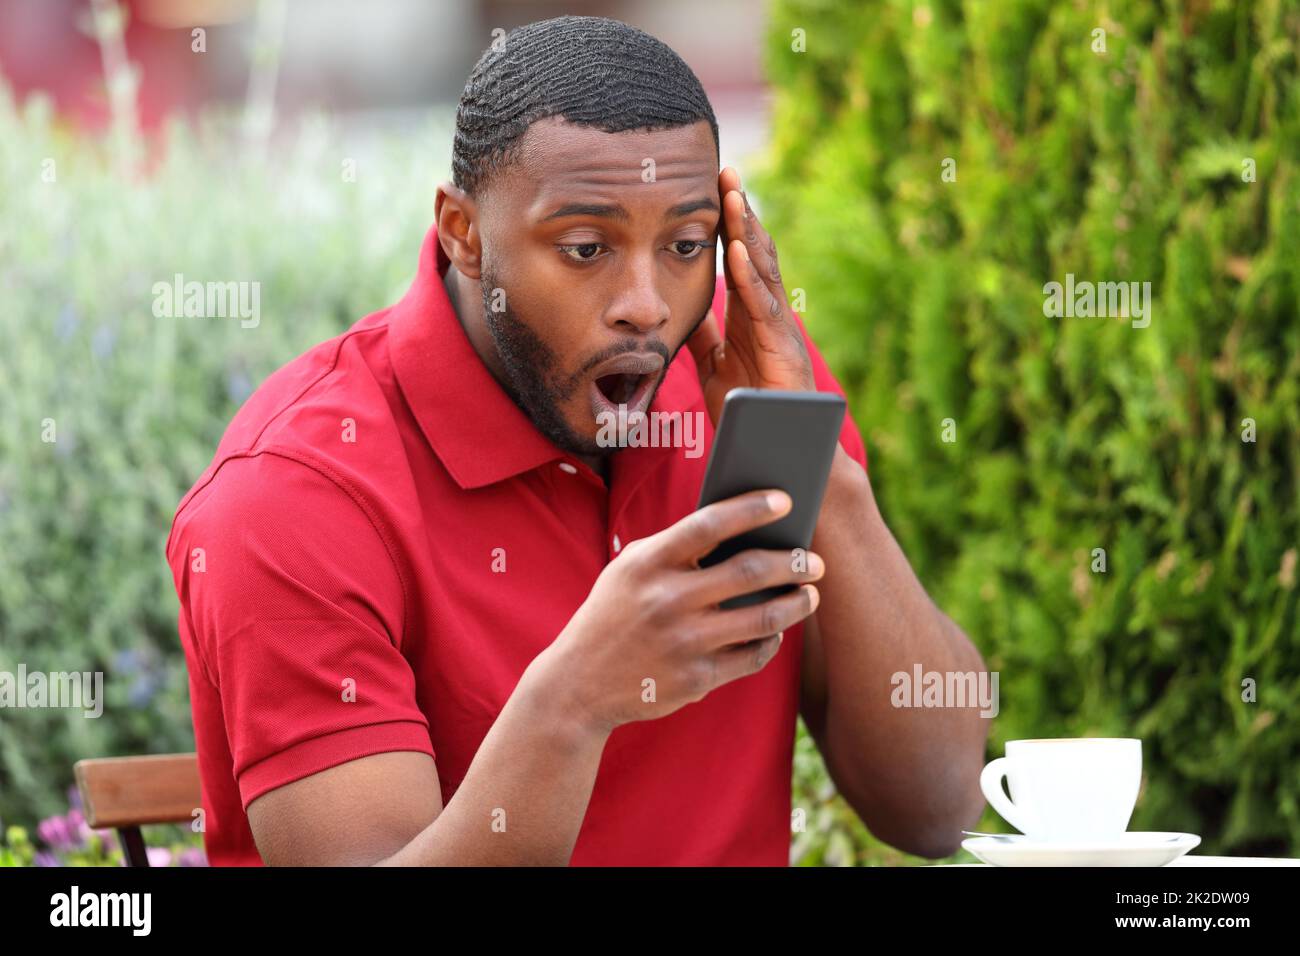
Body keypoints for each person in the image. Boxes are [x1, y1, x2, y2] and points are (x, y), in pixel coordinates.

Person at [165, 14, 989, 866]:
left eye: (684, 244)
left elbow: (935, 812)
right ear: (465, 234)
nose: (647, 302)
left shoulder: (744, 392)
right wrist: (575, 702)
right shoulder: (296, 494)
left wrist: (827, 478)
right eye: (587, 246)